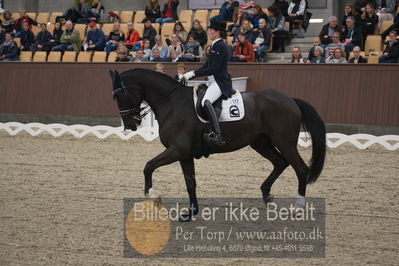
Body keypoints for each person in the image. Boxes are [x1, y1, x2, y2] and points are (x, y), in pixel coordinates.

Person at [182, 20, 233, 145]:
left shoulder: (221, 46)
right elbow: (207, 65)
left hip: (220, 82)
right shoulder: (214, 45)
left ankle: (217, 134)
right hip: (212, 81)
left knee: (206, 101)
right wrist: (191, 74)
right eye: (209, 30)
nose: (209, 32)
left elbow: (214, 68)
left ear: (218, 32)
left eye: (211, 30)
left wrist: (194, 74)